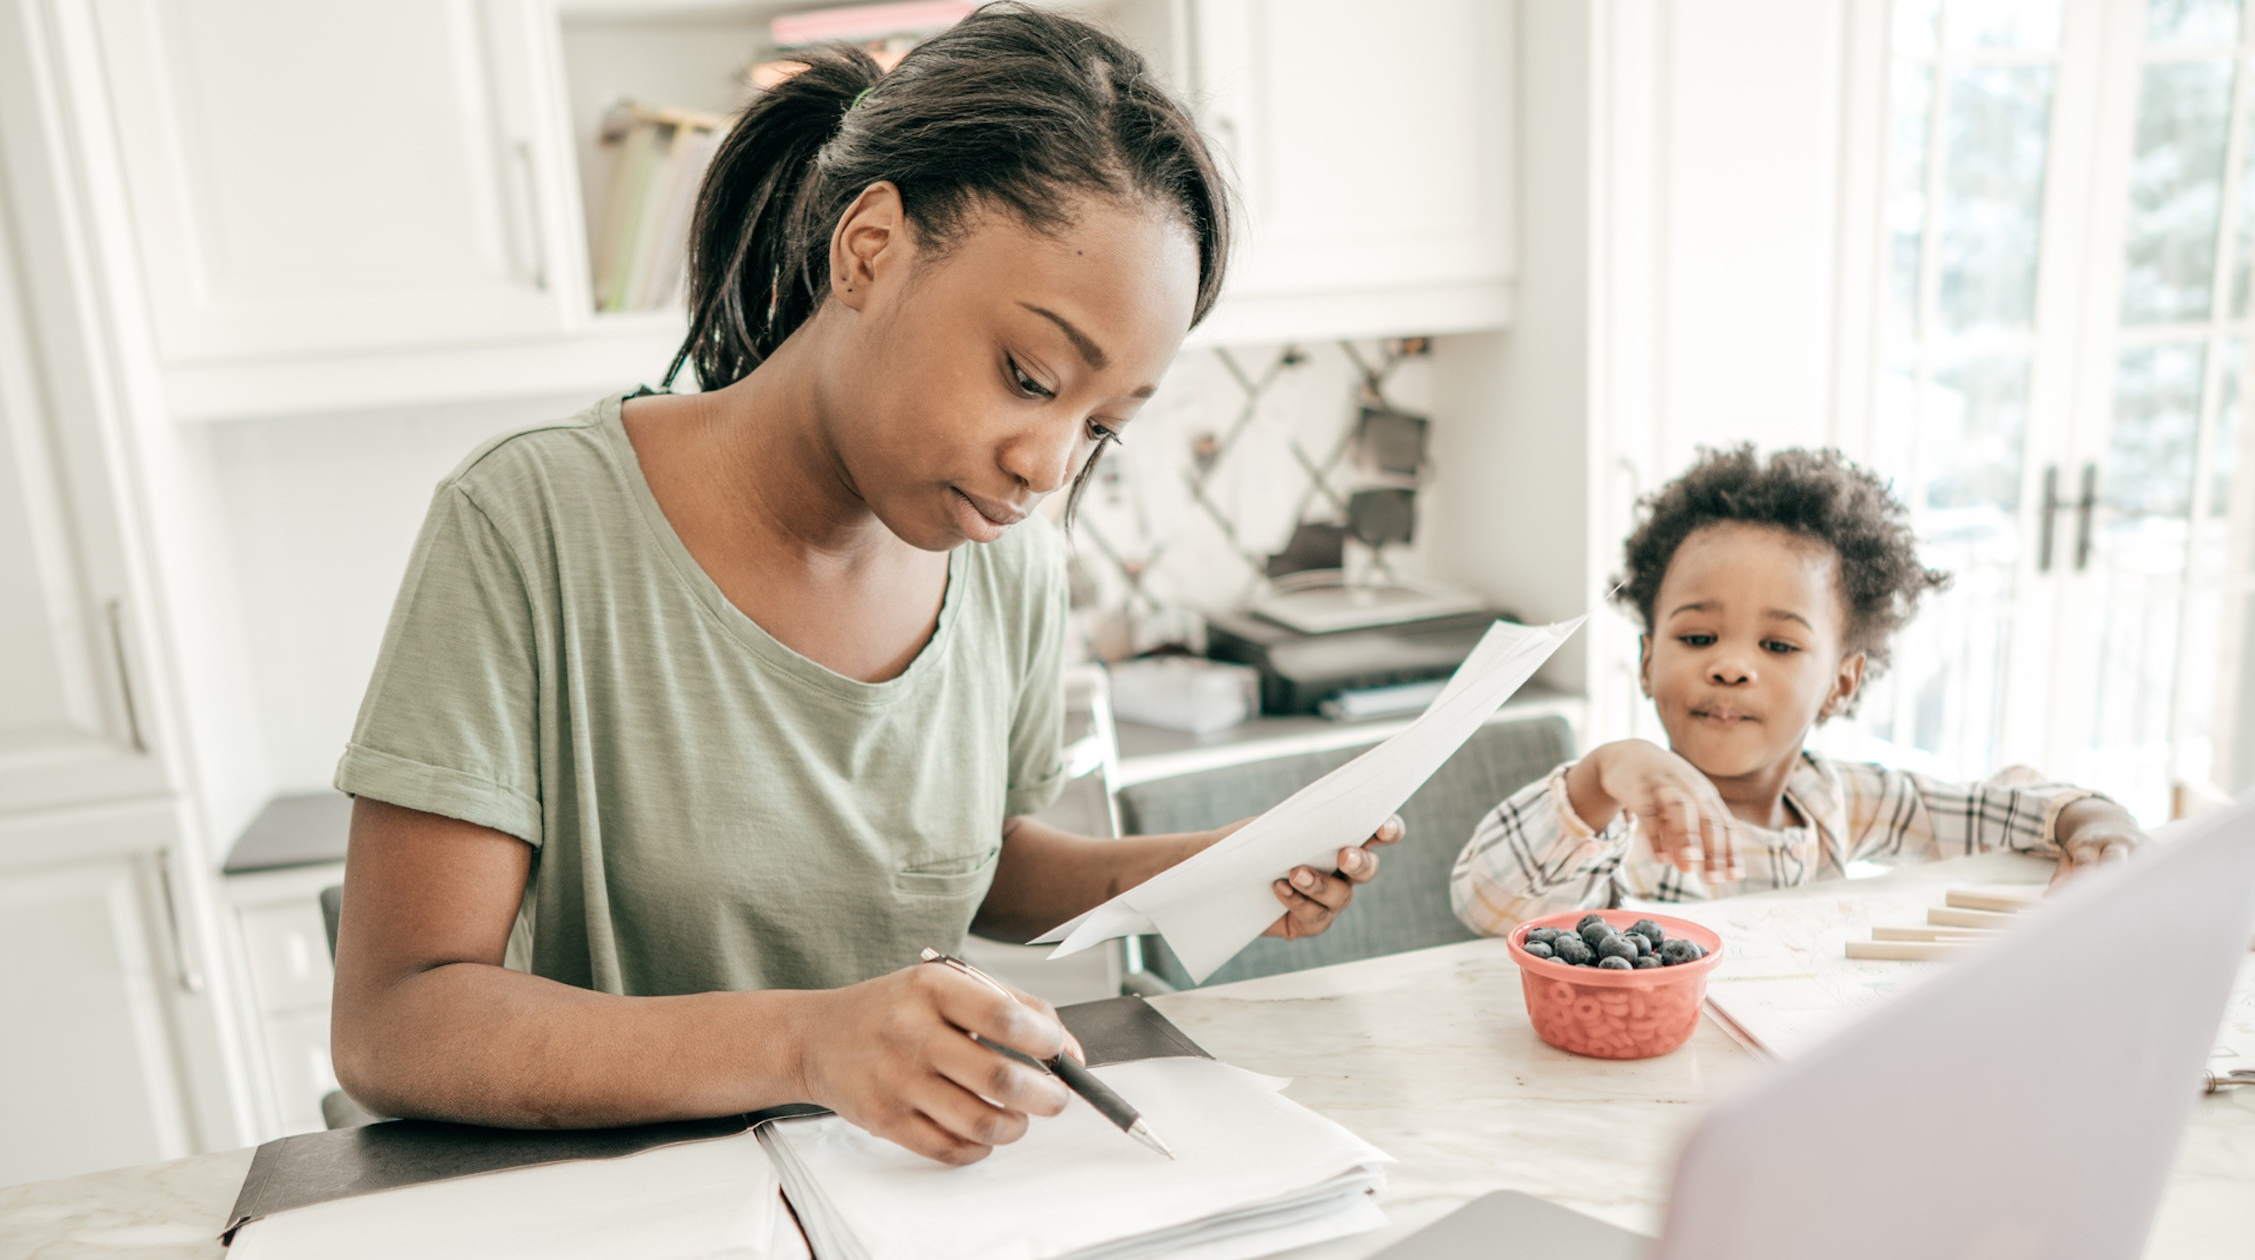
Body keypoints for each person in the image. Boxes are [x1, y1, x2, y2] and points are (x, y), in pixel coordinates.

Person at [330, 6, 1401, 1166]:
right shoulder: (529, 524)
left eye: (1102, 429)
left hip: (906, 1203)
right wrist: (808, 1041)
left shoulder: (1011, 562)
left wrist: (1214, 866)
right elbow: (396, 1021)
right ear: (870, 249)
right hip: (634, 1220)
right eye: (1028, 375)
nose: (1046, 468)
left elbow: (974, 862)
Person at [1448, 445, 2145, 936]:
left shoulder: (1837, 797)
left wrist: (2089, 819)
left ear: (1842, 682)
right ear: (1647, 658)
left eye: (1778, 646)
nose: (1730, 667)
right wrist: (1600, 776)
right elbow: (1488, 903)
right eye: (1697, 638)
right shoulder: (1622, 822)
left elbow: (1989, 812)